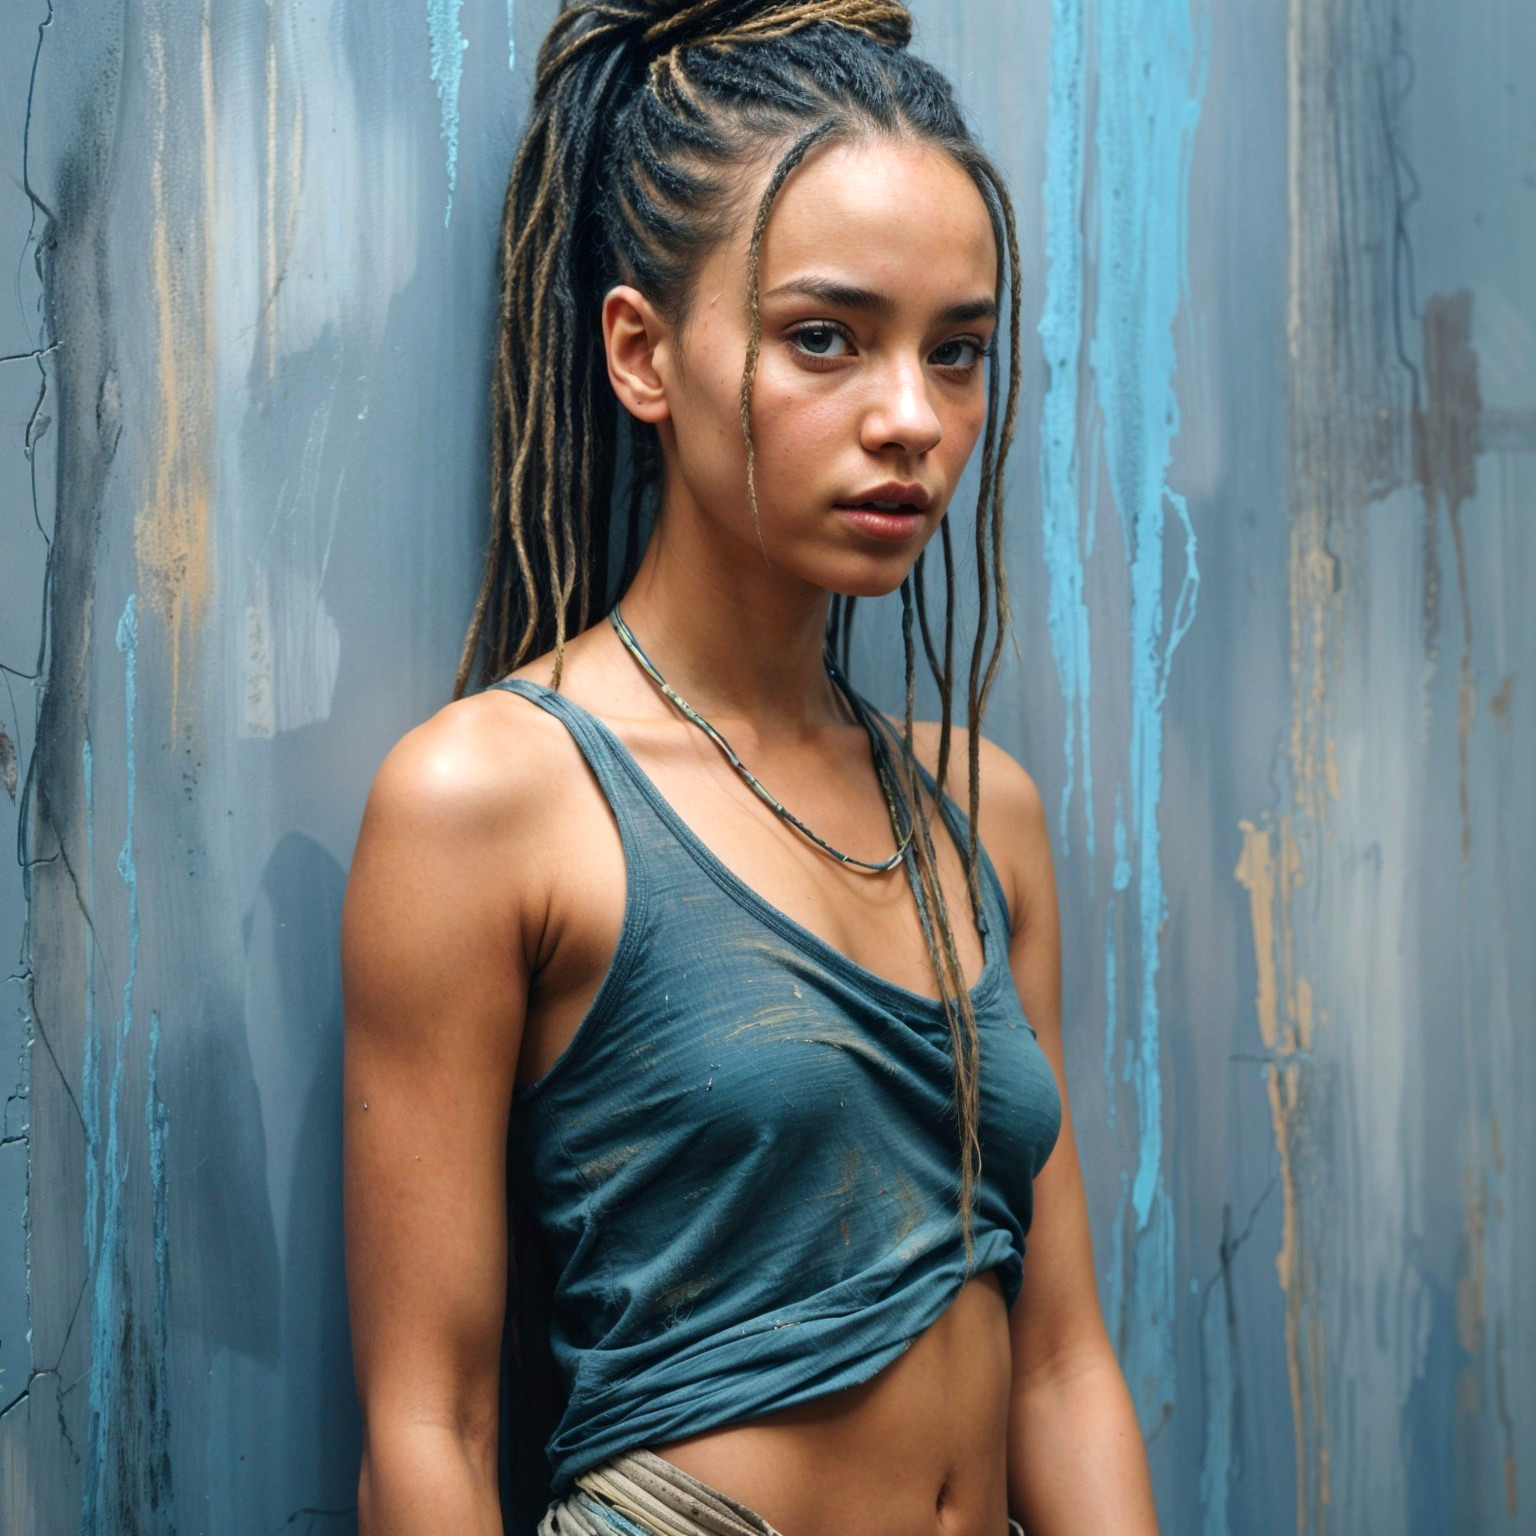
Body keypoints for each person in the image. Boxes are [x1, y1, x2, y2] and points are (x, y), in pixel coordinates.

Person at [341, 2, 1159, 1532]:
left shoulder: (981, 815)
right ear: (642, 353)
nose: (912, 419)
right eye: (824, 338)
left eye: (958, 352)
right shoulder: (493, 801)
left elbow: (1060, 1368)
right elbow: (428, 1427)